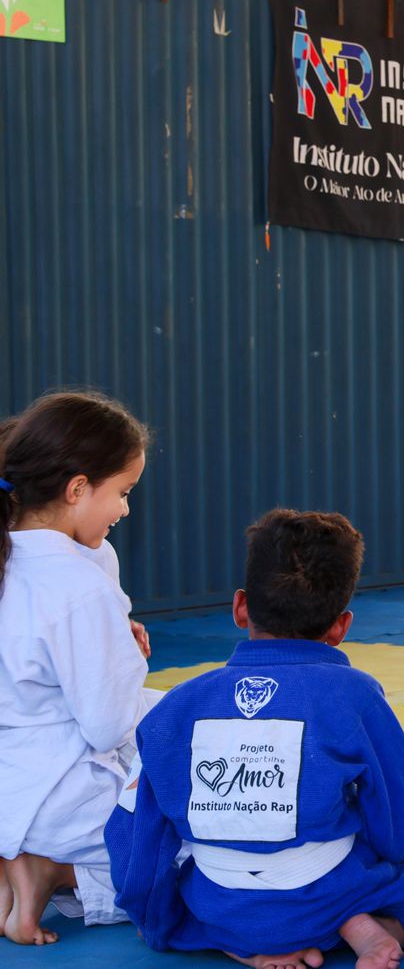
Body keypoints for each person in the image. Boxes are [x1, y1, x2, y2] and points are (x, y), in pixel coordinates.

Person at [106, 509, 404, 969]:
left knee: (187, 902)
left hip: (222, 905)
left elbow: (133, 839)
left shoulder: (174, 707)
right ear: (341, 627)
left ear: (239, 608)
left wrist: (158, 923)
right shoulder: (354, 696)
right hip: (327, 894)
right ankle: (370, 926)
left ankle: (249, 946)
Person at [0, 390, 153, 945]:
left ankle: (14, 869)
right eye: (123, 492)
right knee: (213, 850)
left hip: (12, 783)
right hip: (57, 801)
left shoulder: (17, 557)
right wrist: (126, 663)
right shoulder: (78, 584)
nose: (125, 510)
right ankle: (52, 871)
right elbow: (109, 727)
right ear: (77, 488)